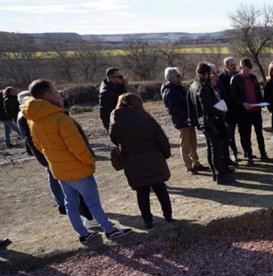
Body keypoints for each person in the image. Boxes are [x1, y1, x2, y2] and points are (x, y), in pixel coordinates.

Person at [22, 79, 131, 243]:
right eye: (55, 90)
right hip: (77, 169)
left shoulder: (33, 119)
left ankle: (82, 233)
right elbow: (77, 145)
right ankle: (110, 230)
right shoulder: (60, 118)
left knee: (70, 204)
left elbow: (38, 145)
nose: (58, 93)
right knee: (93, 203)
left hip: (58, 170)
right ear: (46, 95)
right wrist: (89, 160)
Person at [110, 93, 173, 229]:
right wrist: (165, 154)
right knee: (160, 188)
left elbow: (114, 139)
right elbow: (162, 139)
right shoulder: (147, 118)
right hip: (153, 157)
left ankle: (148, 221)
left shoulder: (115, 120)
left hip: (132, 160)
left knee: (142, 192)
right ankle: (168, 216)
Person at [187, 62, 234, 185]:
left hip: (203, 122)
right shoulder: (203, 87)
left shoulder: (192, 86)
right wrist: (221, 112)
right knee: (216, 150)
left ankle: (215, 173)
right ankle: (220, 176)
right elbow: (207, 108)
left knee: (211, 148)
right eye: (210, 73)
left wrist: (195, 121)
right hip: (211, 123)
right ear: (206, 73)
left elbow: (191, 106)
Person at [161, 67, 209, 175]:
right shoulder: (169, 90)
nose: (180, 77)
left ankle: (196, 163)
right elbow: (175, 108)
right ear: (171, 77)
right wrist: (187, 117)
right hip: (182, 122)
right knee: (185, 145)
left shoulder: (179, 87)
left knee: (193, 143)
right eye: (178, 75)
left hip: (189, 120)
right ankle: (188, 166)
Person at [229, 58, 272, 165]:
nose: (248, 72)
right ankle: (249, 157)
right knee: (246, 136)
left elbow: (257, 92)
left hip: (256, 110)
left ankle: (263, 154)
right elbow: (233, 97)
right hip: (244, 113)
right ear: (241, 68)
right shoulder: (235, 79)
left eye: (249, 70)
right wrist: (243, 104)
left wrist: (262, 102)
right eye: (246, 70)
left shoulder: (253, 77)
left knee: (259, 134)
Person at [217, 56, 241, 162]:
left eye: (235, 65)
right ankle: (234, 154)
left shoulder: (238, 76)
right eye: (231, 65)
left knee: (244, 132)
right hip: (228, 112)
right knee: (230, 135)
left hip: (240, 109)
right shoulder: (221, 79)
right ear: (225, 66)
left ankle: (247, 152)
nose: (234, 67)